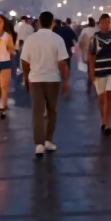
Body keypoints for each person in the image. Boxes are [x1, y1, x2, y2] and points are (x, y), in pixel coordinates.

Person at [21, 11, 69, 157]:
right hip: (53, 79)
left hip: (35, 79)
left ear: (39, 22)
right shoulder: (57, 39)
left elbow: (24, 61)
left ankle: (39, 144)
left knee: (37, 112)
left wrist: (25, 77)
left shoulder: (30, 39)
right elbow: (62, 63)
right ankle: (48, 140)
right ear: (52, 23)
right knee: (51, 111)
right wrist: (66, 82)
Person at [88, 13, 111, 135]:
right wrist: (91, 72)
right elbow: (91, 56)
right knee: (101, 99)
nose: (108, 25)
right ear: (100, 24)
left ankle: (107, 123)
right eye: (106, 22)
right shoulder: (94, 38)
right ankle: (103, 120)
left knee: (109, 97)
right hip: (99, 72)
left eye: (109, 22)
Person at [77, 17, 96, 93]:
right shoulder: (97, 30)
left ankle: (90, 85)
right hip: (97, 53)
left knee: (89, 69)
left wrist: (81, 48)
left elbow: (80, 41)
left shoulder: (85, 30)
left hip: (87, 52)